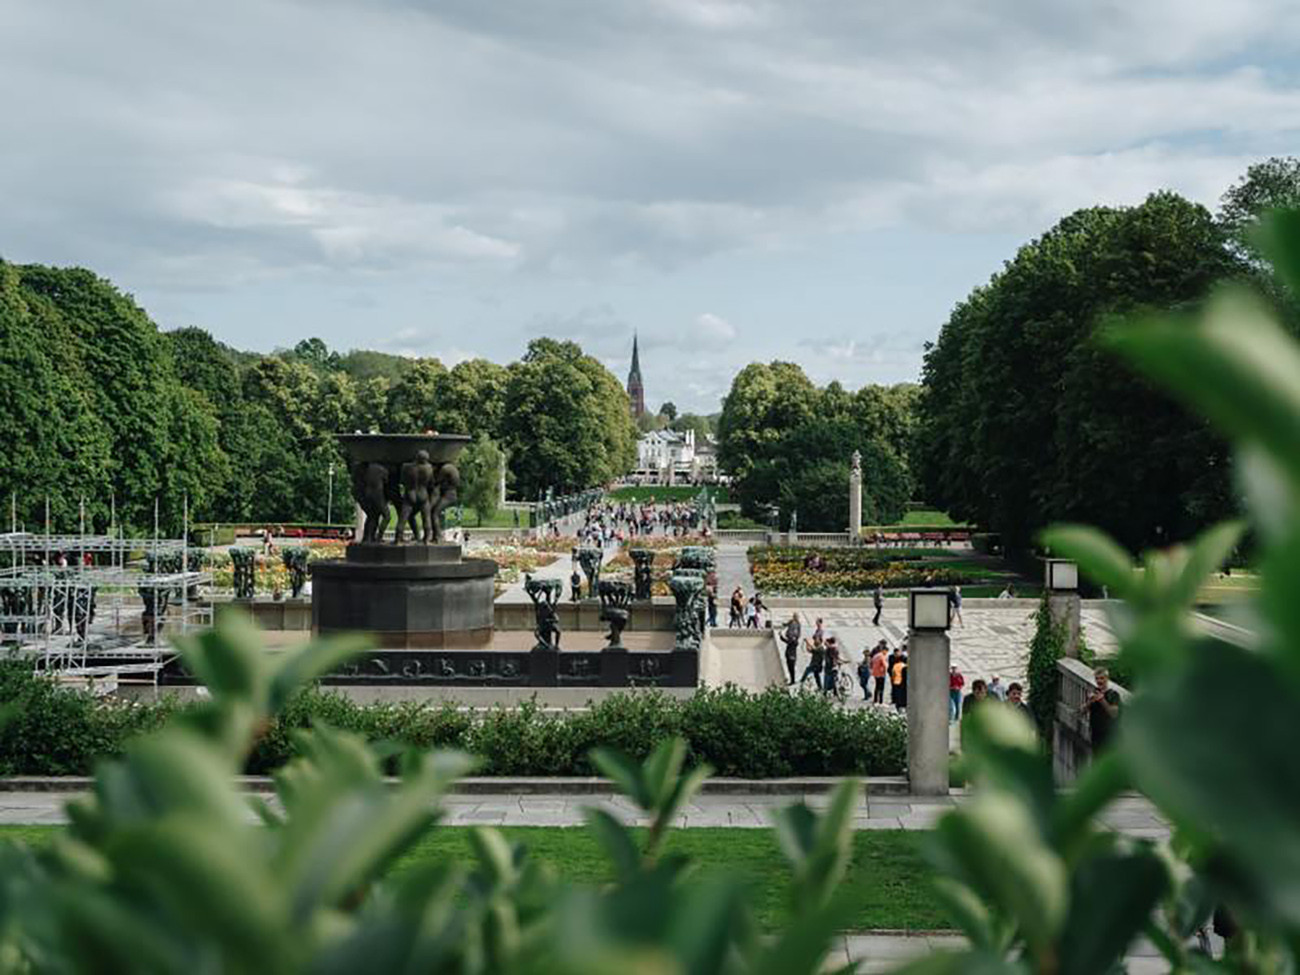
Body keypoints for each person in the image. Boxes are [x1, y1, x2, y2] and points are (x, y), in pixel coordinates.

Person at [1082, 667, 1122, 751]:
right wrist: (1089, 702)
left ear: (1107, 679)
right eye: (1097, 679)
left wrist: (1102, 700)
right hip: (1095, 736)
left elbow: (1114, 714)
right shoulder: (1094, 692)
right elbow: (1082, 711)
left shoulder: (1113, 695)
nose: (1099, 681)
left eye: (1102, 678)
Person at [782, 614, 801, 685]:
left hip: (791, 656)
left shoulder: (797, 624)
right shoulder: (792, 622)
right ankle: (792, 679)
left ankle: (792, 680)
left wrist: (783, 637)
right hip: (791, 655)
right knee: (790, 668)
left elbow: (798, 632)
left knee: (791, 668)